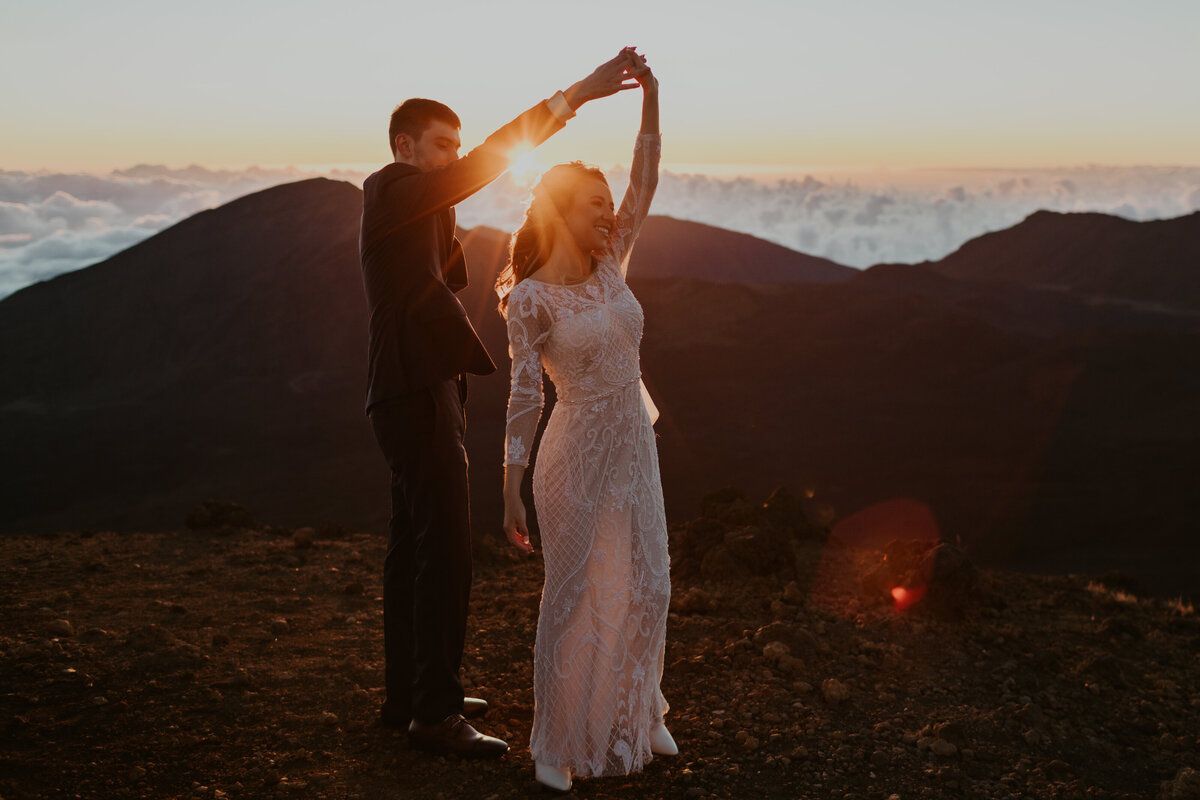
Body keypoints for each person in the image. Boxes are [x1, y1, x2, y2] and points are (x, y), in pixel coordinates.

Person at [359, 49, 644, 760]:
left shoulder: (413, 208)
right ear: (404, 148)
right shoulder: (392, 190)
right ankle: (436, 712)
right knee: (448, 550)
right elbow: (488, 160)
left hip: (417, 387)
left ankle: (411, 696)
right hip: (415, 389)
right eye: (441, 146)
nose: (453, 157)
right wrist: (576, 94)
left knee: (414, 548)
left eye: (455, 145)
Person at [497, 51, 675, 792]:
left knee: (649, 583)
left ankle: (642, 708)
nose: (609, 213)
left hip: (634, 445)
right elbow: (523, 396)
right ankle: (552, 739)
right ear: (560, 211)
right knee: (572, 595)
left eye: (608, 205)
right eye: (594, 204)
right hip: (572, 454)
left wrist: (650, 102)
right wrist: (509, 486)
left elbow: (647, 176)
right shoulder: (532, 298)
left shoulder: (613, 264)